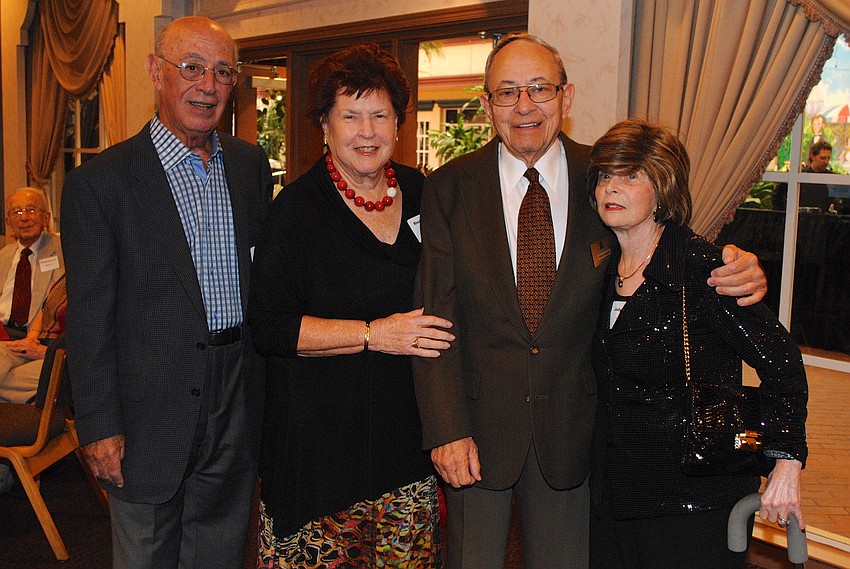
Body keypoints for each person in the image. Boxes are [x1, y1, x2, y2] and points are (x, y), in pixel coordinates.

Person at [413, 34, 767, 569]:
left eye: (539, 89)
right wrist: (447, 428)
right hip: (477, 434)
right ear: (486, 105)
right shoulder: (448, 188)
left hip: (579, 435)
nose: (525, 106)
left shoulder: (604, 178)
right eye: (507, 93)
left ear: (566, 97)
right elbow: (435, 318)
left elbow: (664, 246)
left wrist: (735, 265)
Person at [61, 16, 272, 569]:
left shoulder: (250, 168)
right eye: (192, 67)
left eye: (223, 72)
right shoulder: (101, 183)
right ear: (156, 72)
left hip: (236, 400)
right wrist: (100, 425)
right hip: (145, 413)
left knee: (221, 551)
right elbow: (87, 317)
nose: (208, 85)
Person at [248, 44, 452, 568]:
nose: (367, 132)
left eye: (380, 115)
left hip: (406, 449)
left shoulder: (422, 192)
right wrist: (371, 333)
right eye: (351, 116)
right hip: (317, 458)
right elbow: (270, 327)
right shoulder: (293, 212)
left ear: (399, 125)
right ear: (324, 125)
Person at [587, 118, 808, 569]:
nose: (613, 187)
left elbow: (783, 364)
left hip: (695, 497)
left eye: (631, 176)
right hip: (616, 491)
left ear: (663, 187)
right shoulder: (602, 266)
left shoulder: (705, 269)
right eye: (606, 175)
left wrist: (786, 463)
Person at [0, 187, 64, 340]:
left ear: (46, 218)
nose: (24, 218)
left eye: (31, 210)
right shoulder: (4, 255)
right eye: (17, 212)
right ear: (8, 222)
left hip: (37, 335)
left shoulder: (63, 250)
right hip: (3, 332)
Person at [0, 273, 66, 403]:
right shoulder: (68, 277)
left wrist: (44, 352)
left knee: (7, 379)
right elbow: (44, 310)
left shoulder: (101, 290)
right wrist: (31, 338)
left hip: (61, 356)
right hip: (38, 343)